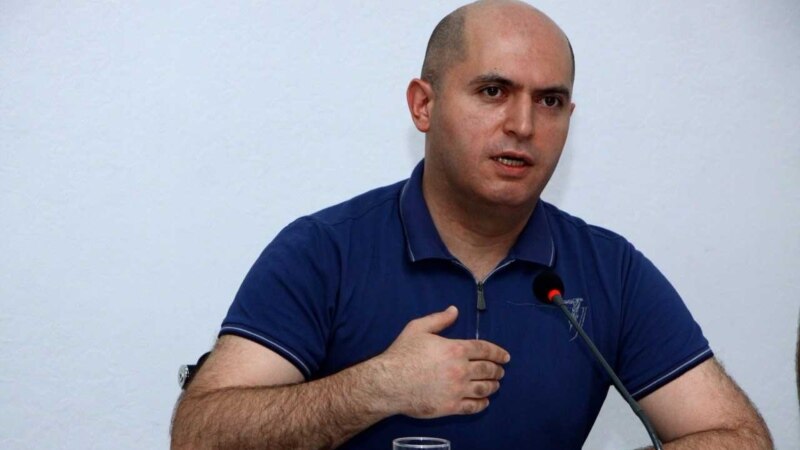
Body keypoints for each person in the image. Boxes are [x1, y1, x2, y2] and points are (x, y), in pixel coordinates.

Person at [170, 1, 772, 448]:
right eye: (492, 91)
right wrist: (378, 387)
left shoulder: (609, 270)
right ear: (423, 105)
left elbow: (738, 438)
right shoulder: (325, 251)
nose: (523, 125)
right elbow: (198, 434)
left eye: (549, 101)